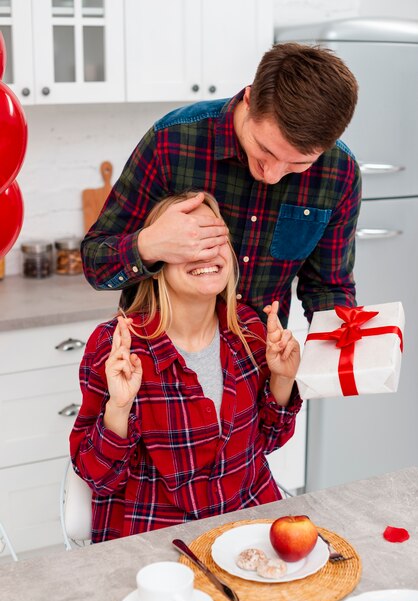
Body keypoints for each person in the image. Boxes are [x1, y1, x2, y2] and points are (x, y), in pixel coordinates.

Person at [70, 192, 302, 542]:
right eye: (191, 241)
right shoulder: (117, 345)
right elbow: (97, 477)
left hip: (248, 528)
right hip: (157, 540)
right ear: (157, 258)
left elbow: (268, 442)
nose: (207, 251)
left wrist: (282, 379)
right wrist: (119, 408)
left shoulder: (250, 330)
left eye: (216, 238)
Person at [81, 42, 361, 328]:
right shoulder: (172, 142)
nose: (273, 175)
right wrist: (149, 245)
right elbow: (95, 263)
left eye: (298, 165)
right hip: (156, 364)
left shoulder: (339, 172)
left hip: (259, 366)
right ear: (250, 100)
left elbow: (328, 289)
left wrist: (344, 354)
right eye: (266, 150)